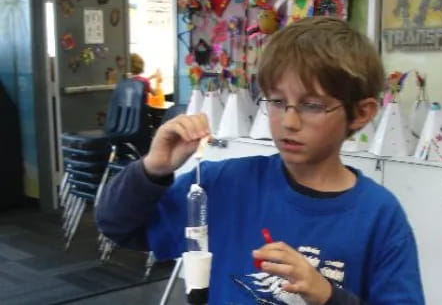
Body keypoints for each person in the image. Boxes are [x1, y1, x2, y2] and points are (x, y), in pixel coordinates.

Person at [96, 17, 424, 305]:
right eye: (278, 101)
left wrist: (327, 296)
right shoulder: (221, 185)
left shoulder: (379, 216)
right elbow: (117, 227)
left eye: (312, 105)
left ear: (361, 113)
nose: (289, 122)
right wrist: (152, 169)